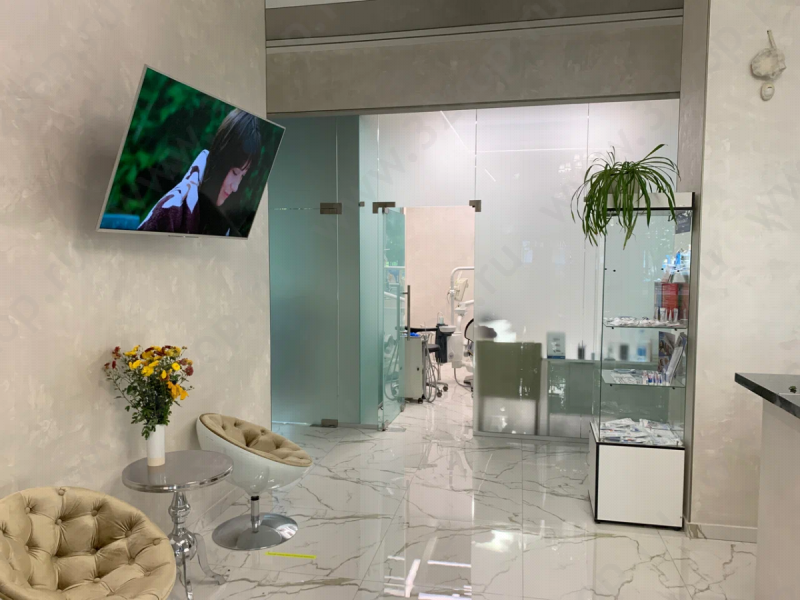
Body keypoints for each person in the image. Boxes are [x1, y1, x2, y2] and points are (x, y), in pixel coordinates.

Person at [138, 108, 262, 236]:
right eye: (235, 172)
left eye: (242, 176)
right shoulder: (171, 210)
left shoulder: (225, 222)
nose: (235, 187)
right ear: (220, 160)